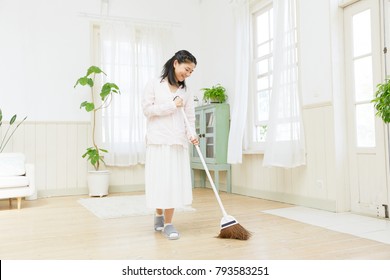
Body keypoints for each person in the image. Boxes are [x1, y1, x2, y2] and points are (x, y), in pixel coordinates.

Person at [142, 50, 199, 240]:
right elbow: (147, 110)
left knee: (172, 183)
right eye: (187, 69)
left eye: (191, 72)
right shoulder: (154, 84)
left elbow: (189, 117)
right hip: (158, 141)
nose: (188, 74)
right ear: (176, 63)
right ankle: (158, 215)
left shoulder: (187, 91)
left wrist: (193, 134)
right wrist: (171, 105)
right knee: (160, 181)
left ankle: (168, 223)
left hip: (177, 142)